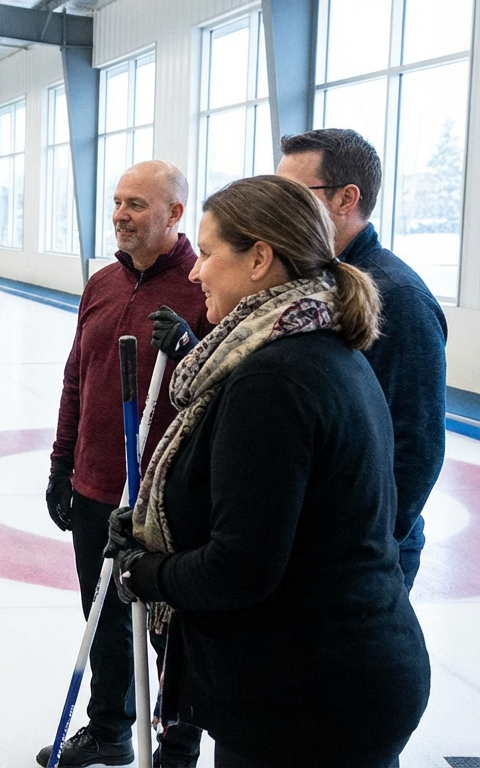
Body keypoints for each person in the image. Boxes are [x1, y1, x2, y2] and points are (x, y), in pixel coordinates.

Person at [110, 175, 430, 767]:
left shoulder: (273, 379)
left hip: (311, 698)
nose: (194, 272)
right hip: (333, 676)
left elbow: (242, 567)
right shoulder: (321, 344)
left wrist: (147, 572)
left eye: (207, 254)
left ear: (260, 259)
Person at [39, 160, 210, 768]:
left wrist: (190, 348)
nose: (120, 215)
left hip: (171, 493)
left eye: (137, 204)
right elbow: (76, 378)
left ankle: (179, 741)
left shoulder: (205, 285)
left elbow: (228, 389)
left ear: (175, 213)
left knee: (174, 627)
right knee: (105, 612)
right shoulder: (103, 283)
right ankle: (109, 727)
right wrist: (64, 464)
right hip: (98, 485)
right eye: (117, 202)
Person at [276, 128, 448, 590]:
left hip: (359, 557)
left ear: (345, 198)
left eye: (295, 194)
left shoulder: (398, 298)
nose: (281, 207)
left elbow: (416, 449)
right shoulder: (314, 283)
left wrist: (362, 549)